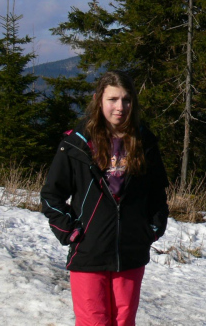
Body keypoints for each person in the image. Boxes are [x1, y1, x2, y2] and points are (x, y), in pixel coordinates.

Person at [41, 70, 169, 326]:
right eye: (113, 99)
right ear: (99, 100)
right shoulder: (77, 143)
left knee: (123, 322)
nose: (120, 107)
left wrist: (151, 230)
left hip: (131, 252)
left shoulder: (144, 142)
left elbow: (158, 194)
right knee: (93, 322)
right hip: (89, 251)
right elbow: (51, 196)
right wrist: (71, 232)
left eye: (126, 99)